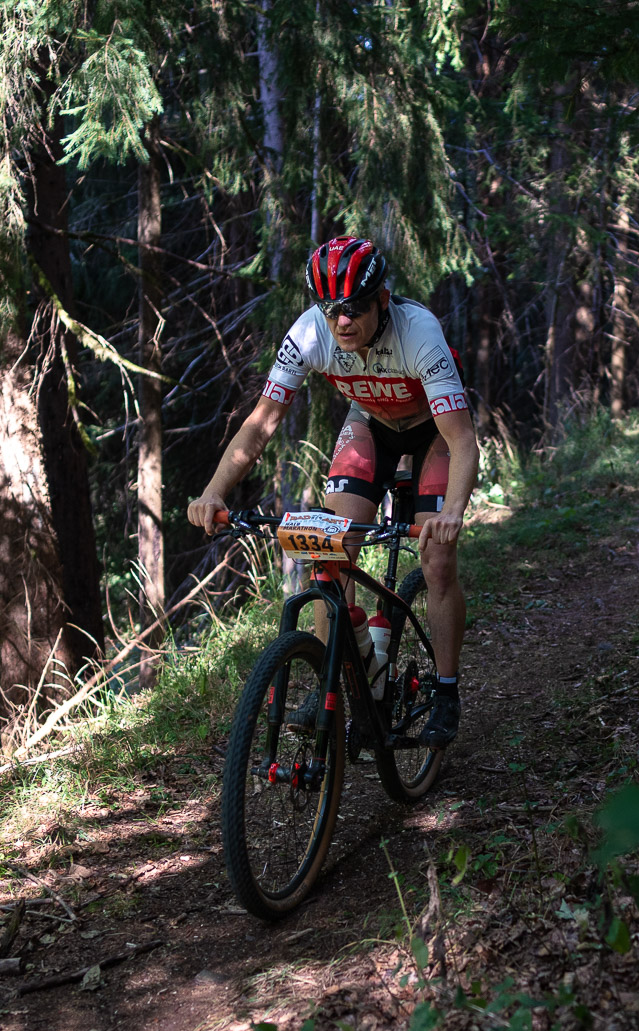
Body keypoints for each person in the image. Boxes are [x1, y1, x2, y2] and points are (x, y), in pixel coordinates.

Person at [188, 237, 478, 747]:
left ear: (381, 299)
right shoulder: (308, 334)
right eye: (330, 309)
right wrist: (213, 491)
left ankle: (447, 690)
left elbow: (462, 439)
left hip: (432, 430)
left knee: (436, 559)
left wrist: (452, 512)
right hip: (370, 423)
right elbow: (261, 424)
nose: (341, 321)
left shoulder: (419, 332)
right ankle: (335, 680)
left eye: (354, 308)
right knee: (330, 551)